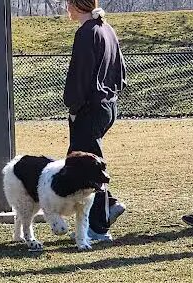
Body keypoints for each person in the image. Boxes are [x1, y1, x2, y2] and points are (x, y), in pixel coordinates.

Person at [63, 0, 127, 242]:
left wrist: (74, 105)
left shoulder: (87, 33)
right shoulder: (106, 29)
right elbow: (120, 70)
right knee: (82, 160)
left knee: (88, 166)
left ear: (77, 5)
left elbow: (79, 75)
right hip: (108, 104)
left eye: (68, 3)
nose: (66, 8)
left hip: (90, 107)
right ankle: (109, 204)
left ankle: (99, 227)